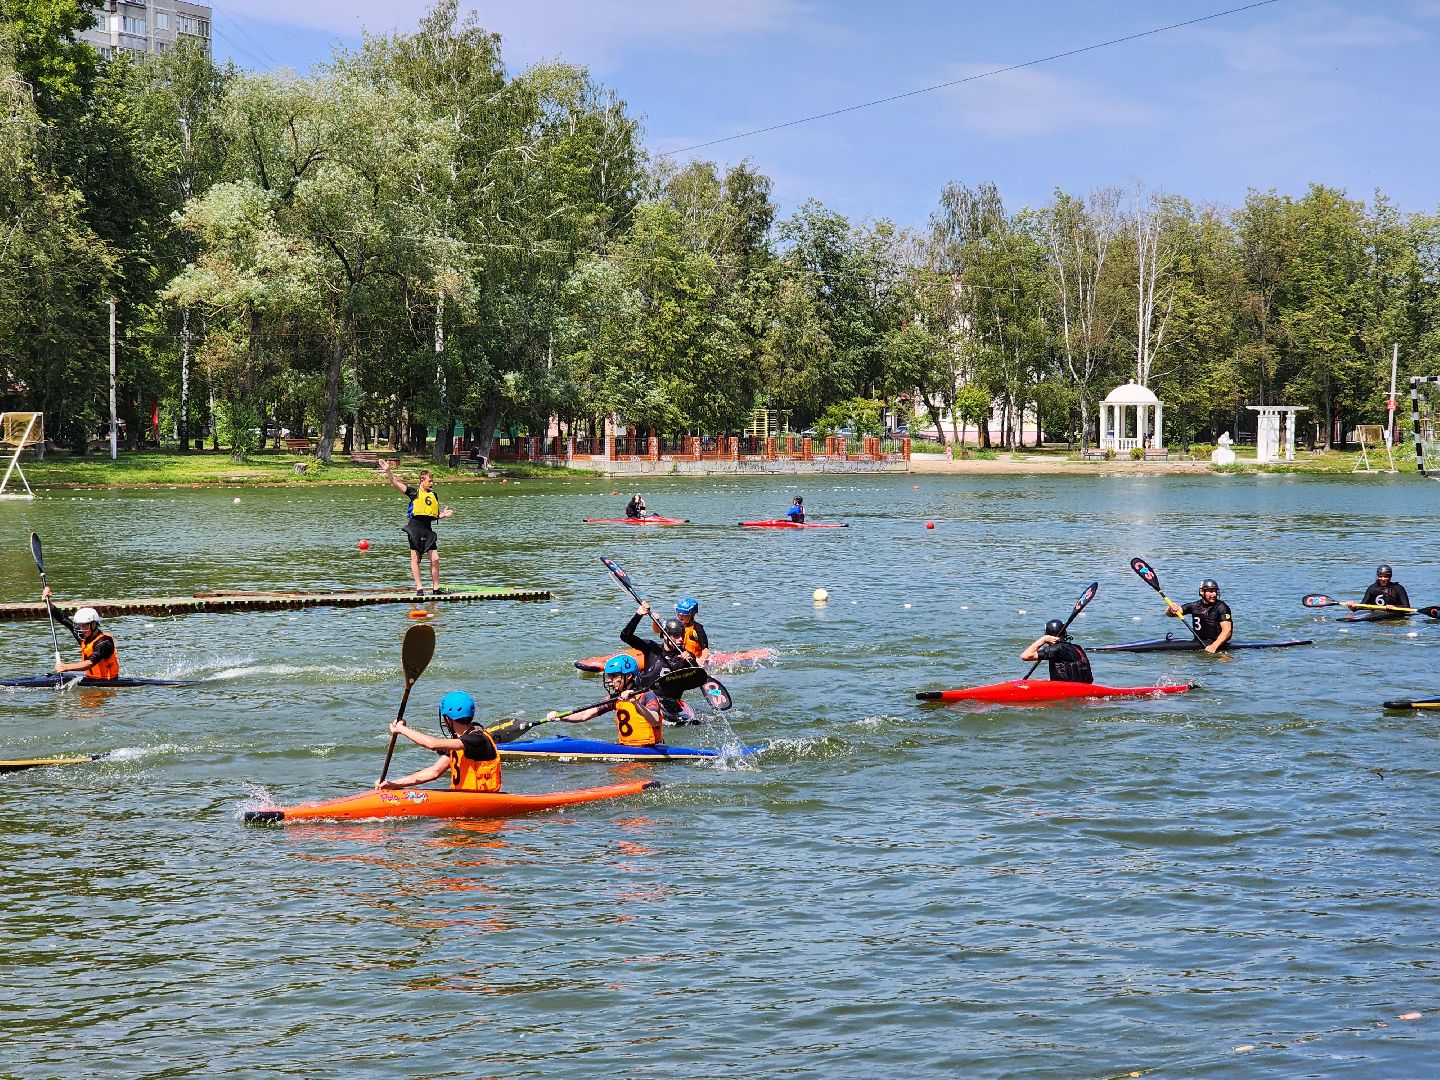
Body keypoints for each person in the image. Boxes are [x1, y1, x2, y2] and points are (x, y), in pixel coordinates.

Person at [378, 691, 501, 792]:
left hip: (481, 805)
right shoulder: (459, 744)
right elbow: (434, 772)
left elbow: (432, 744)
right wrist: (393, 784)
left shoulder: (477, 739)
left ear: (447, 718)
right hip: (464, 805)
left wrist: (401, 729)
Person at [547, 654, 665, 747]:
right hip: (626, 747)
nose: (609, 680)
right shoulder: (615, 699)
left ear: (628, 676)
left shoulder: (647, 695)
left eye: (614, 676)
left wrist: (635, 702)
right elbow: (585, 715)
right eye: (609, 676)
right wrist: (560, 716)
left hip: (651, 748)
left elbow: (654, 720)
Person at [378, 460, 453, 595]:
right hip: (415, 528)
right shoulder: (414, 493)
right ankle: (419, 588)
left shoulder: (433, 495)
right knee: (415, 558)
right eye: (429, 481)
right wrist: (388, 471)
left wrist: (443, 515)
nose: (432, 483)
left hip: (427, 529)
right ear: (422, 480)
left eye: (432, 481)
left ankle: (436, 589)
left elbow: (433, 515)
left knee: (435, 558)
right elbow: (395, 483)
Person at [620, 601, 696, 726]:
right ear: (665, 636)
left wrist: (690, 662)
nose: (681, 639)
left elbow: (695, 679)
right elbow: (625, 636)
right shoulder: (651, 648)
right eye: (676, 636)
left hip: (668, 703)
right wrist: (638, 615)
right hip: (645, 697)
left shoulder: (687, 657)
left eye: (682, 635)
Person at [41, 587, 118, 680]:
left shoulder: (104, 642)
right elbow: (64, 619)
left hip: (107, 681)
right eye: (79, 626)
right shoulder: (83, 634)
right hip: (90, 678)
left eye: (84, 626)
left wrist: (67, 667)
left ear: (93, 625)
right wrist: (47, 602)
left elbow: (90, 663)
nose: (81, 629)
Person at [1165, 579, 1234, 653]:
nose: (1214, 594)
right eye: (1210, 591)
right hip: (1198, 642)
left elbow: (1227, 631)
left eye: (1215, 591)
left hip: (1218, 643)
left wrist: (1214, 645)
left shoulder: (1222, 607)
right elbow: (1169, 614)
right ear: (1202, 592)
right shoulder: (1194, 606)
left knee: (1225, 660)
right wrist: (1171, 609)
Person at [1019, 618, 1093, 683]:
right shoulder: (1077, 647)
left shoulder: (1056, 649)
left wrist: (1044, 639)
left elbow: (1025, 656)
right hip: (1085, 687)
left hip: (1068, 690)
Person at [1346, 564, 1411, 614]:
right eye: (1380, 576)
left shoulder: (1398, 588)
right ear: (1378, 576)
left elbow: (1407, 607)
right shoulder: (1372, 588)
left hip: (1393, 614)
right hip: (1375, 613)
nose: (1383, 579)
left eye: (1385, 577)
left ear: (1390, 577)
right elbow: (1362, 606)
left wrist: (1395, 607)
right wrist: (1353, 607)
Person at [674, 597, 711, 665]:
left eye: (684, 615)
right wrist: (656, 621)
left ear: (692, 614)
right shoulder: (674, 625)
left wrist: (701, 660)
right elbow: (658, 631)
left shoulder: (697, 628)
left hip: (694, 659)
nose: (680, 616)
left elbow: (705, 649)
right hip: (680, 656)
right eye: (678, 614)